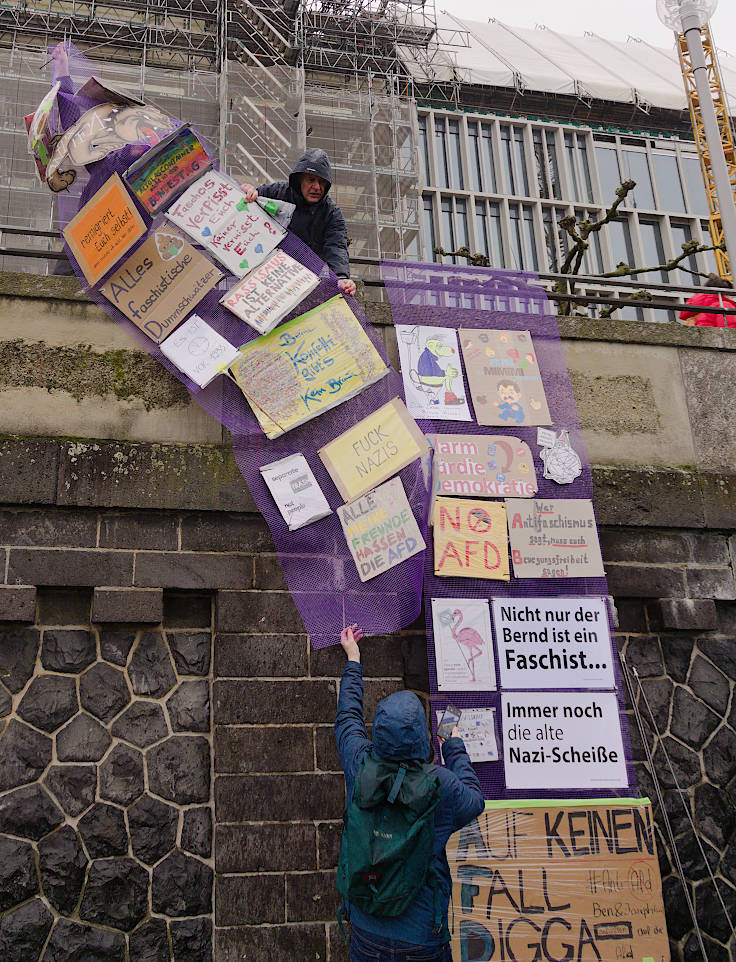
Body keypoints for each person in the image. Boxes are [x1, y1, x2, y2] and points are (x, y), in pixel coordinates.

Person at [334, 624, 484, 962]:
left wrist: (354, 660)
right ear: (423, 736)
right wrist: (455, 747)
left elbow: (347, 719)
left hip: (367, 931)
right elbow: (475, 800)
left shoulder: (359, 765)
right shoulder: (440, 784)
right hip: (421, 940)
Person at [241, 148, 357, 297]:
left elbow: (336, 247)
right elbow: (251, 196)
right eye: (311, 180)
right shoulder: (278, 192)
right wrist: (248, 191)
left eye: (322, 182)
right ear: (299, 179)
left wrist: (341, 278)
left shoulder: (332, 213)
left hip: (304, 279)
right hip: (265, 273)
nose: (317, 187)